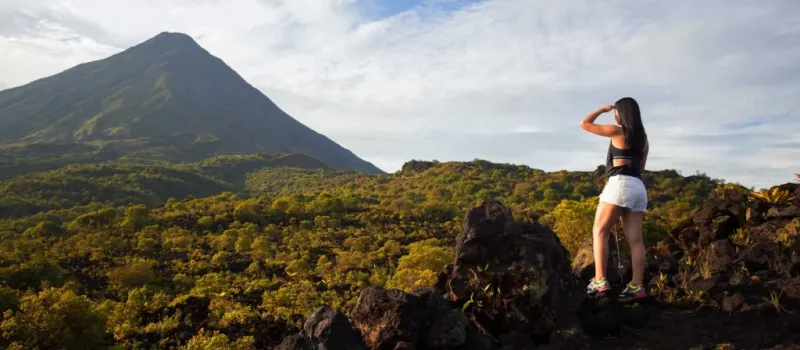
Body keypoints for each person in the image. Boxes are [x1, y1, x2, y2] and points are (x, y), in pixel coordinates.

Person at [579, 97, 649, 299]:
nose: (614, 115)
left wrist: (602, 109)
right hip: (638, 187)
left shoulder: (617, 131)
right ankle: (637, 287)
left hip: (620, 184)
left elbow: (585, 124)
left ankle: (600, 280)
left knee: (599, 231)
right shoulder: (643, 139)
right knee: (636, 241)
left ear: (622, 113)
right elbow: (641, 167)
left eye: (616, 112)